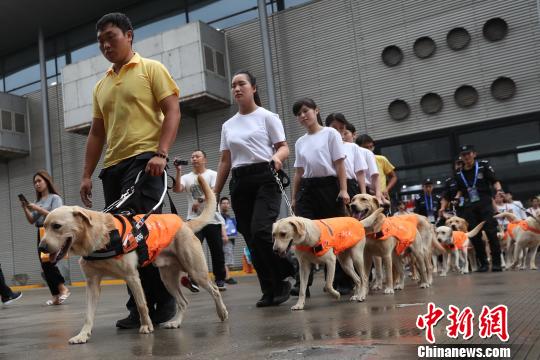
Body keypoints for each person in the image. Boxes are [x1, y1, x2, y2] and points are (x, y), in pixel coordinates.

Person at [79, 12, 180, 328]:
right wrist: (86, 174)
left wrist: (161, 154)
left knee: (140, 234)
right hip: (113, 167)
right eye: (100, 41)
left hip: (145, 161)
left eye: (111, 37)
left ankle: (161, 303)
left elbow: (173, 110)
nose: (105, 45)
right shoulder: (102, 85)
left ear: (129, 35)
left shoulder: (151, 69)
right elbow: (97, 133)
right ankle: (139, 305)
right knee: (119, 240)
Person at [213, 70, 294, 307]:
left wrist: (278, 158)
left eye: (242, 84)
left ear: (253, 88)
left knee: (261, 230)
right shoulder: (228, 125)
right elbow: (225, 161)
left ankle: (286, 272)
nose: (237, 88)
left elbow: (284, 147)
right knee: (250, 237)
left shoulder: (268, 117)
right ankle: (268, 288)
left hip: (265, 175)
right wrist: (215, 192)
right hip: (240, 181)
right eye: (233, 85)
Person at [291, 99, 350, 295]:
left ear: (316, 110)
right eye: (299, 114)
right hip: (307, 189)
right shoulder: (300, 142)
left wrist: (343, 190)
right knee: (303, 234)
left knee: (334, 235)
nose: (303, 116)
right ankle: (302, 284)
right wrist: (294, 198)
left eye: (306, 111)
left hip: (329, 187)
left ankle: (340, 281)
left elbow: (340, 164)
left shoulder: (330, 133)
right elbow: (298, 173)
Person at [174, 150, 227, 291]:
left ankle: (220, 279)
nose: (194, 159)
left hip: (212, 219)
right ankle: (193, 280)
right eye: (192, 157)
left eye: (197, 156)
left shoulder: (212, 174)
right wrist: (178, 171)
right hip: (193, 220)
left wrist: (200, 199)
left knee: (217, 251)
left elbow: (214, 190)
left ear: (205, 160)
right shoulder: (186, 177)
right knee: (190, 251)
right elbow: (177, 189)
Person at [21, 170, 70, 305]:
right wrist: (26, 208)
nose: (37, 184)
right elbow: (32, 220)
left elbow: (56, 216)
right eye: (35, 182)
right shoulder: (38, 201)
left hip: (52, 232)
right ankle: (55, 295)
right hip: (41, 232)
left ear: (46, 181)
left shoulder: (55, 198)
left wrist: (37, 208)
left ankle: (63, 289)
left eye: (39, 181)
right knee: (44, 265)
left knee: (49, 263)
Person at [453, 145, 503, 272]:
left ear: (474, 154)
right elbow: (460, 190)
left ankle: (496, 263)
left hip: (485, 203)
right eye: (464, 155)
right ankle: (483, 264)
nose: (466, 157)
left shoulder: (483, 166)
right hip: (469, 206)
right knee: (475, 235)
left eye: (468, 154)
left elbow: (495, 181)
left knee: (491, 233)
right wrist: (457, 198)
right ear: (461, 157)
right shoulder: (459, 173)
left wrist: (499, 190)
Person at [325, 113, 367, 198]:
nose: (338, 131)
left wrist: (363, 193)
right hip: (329, 185)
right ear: (327, 128)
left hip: (350, 185)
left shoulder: (352, 147)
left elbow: (360, 172)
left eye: (341, 127)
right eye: (334, 128)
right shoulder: (323, 147)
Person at [357, 134, 397, 204]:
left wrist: (386, 189)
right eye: (366, 147)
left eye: (371, 147)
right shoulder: (356, 161)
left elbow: (393, 177)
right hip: (365, 197)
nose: (370, 150)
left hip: (382, 196)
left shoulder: (381, 159)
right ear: (358, 148)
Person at [219, 197, 238, 285]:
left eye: (227, 203)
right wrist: (223, 236)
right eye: (223, 203)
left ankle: (225, 276)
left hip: (230, 240)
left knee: (227, 259)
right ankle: (227, 277)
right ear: (220, 205)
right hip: (224, 240)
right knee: (225, 259)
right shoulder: (219, 216)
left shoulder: (229, 217)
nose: (225, 205)